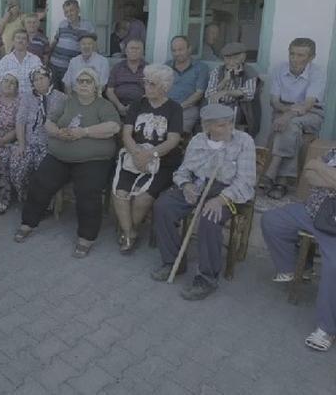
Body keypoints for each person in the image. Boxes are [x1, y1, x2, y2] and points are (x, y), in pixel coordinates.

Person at [151, 104, 255, 299]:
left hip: (228, 191)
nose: (228, 129)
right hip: (197, 185)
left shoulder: (244, 141)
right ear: (207, 127)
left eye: (230, 124)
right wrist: (186, 185)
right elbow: (183, 171)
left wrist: (220, 200)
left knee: (210, 217)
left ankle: (207, 278)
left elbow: (246, 182)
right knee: (163, 206)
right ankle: (173, 262)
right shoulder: (198, 141)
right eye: (221, 126)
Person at [16, 68, 120, 257]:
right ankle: (28, 222)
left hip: (93, 159)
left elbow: (113, 127)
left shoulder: (104, 106)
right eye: (80, 81)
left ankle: (86, 237)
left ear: (96, 85)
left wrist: (84, 132)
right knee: (40, 182)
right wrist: (57, 132)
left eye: (88, 81)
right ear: (75, 85)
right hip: (60, 155)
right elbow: (49, 121)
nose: (84, 84)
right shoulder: (67, 102)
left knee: (87, 192)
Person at [262, 146, 336, 352]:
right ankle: (295, 268)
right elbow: (310, 171)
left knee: (334, 266)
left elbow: (317, 170)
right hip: (311, 212)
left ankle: (326, 329)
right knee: (272, 220)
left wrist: (322, 171)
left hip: (333, 225)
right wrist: (325, 174)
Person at [111, 64, 183, 253]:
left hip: (162, 162)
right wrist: (136, 154)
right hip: (133, 156)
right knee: (120, 193)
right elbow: (126, 134)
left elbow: (173, 140)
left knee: (143, 198)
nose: (146, 87)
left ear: (164, 87)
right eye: (146, 82)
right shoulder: (137, 104)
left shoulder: (174, 109)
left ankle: (131, 229)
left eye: (152, 84)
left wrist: (151, 155)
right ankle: (129, 233)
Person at [263, 38, 326, 200]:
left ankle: (274, 169)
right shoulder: (280, 69)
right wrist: (287, 113)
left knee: (290, 123)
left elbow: (308, 105)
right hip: (284, 111)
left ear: (311, 58)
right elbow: (274, 101)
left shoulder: (317, 73)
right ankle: (282, 181)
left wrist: (287, 115)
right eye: (292, 54)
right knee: (291, 127)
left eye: (300, 55)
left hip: (312, 114)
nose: (294, 59)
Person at [10, 66, 67, 201]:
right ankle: (26, 198)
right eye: (35, 80)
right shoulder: (27, 97)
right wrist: (22, 145)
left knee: (45, 172)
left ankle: (44, 203)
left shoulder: (62, 98)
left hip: (50, 146)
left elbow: (65, 123)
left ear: (49, 78)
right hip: (29, 143)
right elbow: (20, 121)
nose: (39, 82)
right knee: (17, 165)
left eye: (42, 78)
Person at [205, 42, 260, 137]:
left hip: (239, 108)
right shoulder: (217, 71)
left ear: (243, 58)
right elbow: (209, 94)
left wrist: (225, 92)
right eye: (227, 58)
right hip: (218, 106)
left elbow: (249, 94)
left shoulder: (249, 72)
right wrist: (224, 81)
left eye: (235, 58)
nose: (231, 62)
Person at [166, 35, 209, 134]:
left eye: (180, 49)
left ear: (189, 49)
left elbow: (199, 93)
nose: (177, 53)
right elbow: (159, 88)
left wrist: (179, 107)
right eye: (174, 50)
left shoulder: (201, 68)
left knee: (176, 132)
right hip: (166, 106)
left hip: (187, 108)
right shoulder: (167, 66)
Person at [48, 0, 95, 88]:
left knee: (68, 94)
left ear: (78, 10)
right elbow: (55, 41)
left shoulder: (87, 26)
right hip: (54, 65)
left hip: (72, 68)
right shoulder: (62, 24)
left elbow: (93, 47)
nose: (69, 14)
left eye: (71, 10)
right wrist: (47, 57)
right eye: (66, 12)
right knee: (54, 93)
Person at [0, 74, 21, 214]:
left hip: (12, 140)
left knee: (2, 156)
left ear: (16, 88)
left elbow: (20, 126)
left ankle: (2, 199)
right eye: (6, 81)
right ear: (0, 83)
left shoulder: (19, 102)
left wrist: (4, 140)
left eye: (13, 83)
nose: (8, 84)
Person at [0, 28, 42, 97]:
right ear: (13, 41)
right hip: (9, 99)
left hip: (30, 100)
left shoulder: (35, 60)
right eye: (18, 38)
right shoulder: (5, 60)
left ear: (28, 43)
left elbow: (40, 81)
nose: (20, 41)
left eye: (23, 38)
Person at [106, 39, 147, 117]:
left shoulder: (148, 68)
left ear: (142, 52)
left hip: (141, 105)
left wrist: (134, 106)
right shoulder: (117, 67)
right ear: (126, 51)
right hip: (117, 104)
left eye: (137, 48)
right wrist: (119, 105)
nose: (134, 51)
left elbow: (150, 91)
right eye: (131, 48)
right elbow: (109, 90)